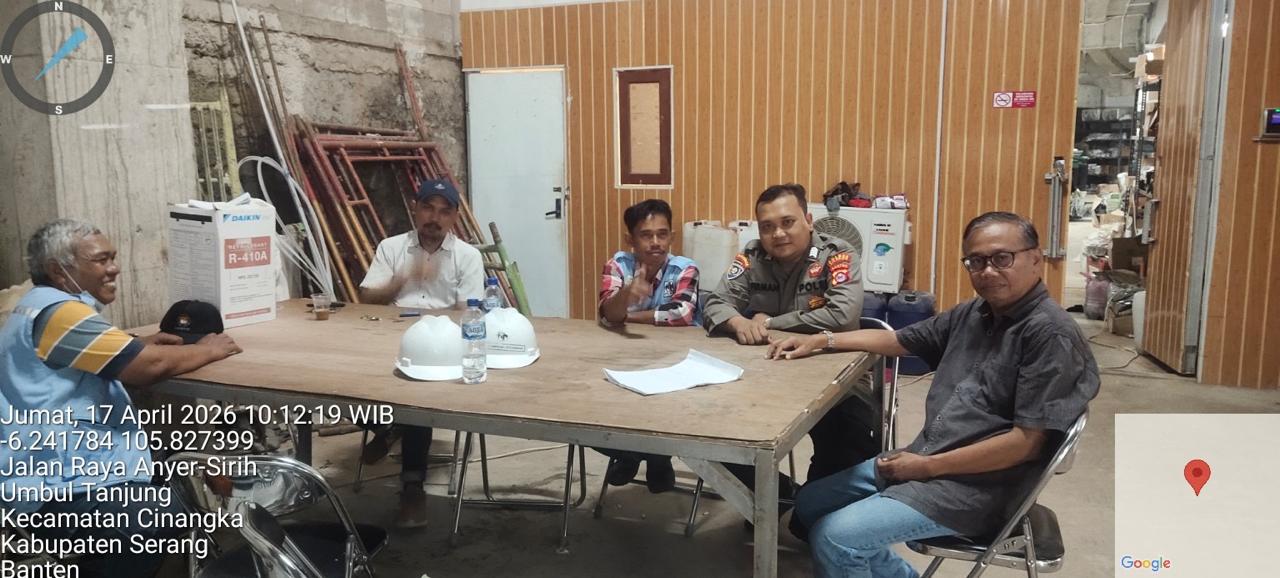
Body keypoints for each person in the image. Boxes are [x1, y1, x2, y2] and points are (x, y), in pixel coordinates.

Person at [770, 212, 1100, 578]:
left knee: (835, 536)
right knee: (810, 502)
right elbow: (898, 340)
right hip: (929, 458)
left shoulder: (1050, 335)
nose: (988, 271)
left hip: (980, 491)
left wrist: (927, 467)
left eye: (1002, 258)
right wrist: (822, 339)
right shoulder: (975, 313)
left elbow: (1026, 445)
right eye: (976, 261)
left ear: (1035, 258)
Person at [0, 219, 242, 578]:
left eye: (113, 257)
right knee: (163, 514)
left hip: (68, 468)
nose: (114, 268)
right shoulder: (60, 314)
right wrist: (210, 349)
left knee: (188, 472)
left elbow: (94, 355)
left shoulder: (40, 306)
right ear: (59, 270)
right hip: (57, 490)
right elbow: (149, 368)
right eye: (101, 260)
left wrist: (134, 346)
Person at [701, 183, 867, 492]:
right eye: (767, 227)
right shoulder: (752, 256)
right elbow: (715, 303)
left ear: (808, 220)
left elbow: (842, 316)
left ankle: (810, 508)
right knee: (709, 433)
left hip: (835, 381)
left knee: (846, 451)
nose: (778, 234)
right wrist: (737, 321)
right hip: (764, 374)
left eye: (787, 222)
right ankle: (778, 501)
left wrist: (770, 322)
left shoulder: (837, 254)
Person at [358, 178, 485, 528]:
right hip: (390, 336)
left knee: (418, 395)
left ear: (455, 217)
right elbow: (366, 299)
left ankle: (412, 486)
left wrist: (435, 327)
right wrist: (403, 280)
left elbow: (468, 313)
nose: (434, 218)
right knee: (338, 379)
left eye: (444, 212)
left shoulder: (468, 256)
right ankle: (389, 426)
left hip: (441, 343)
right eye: (428, 208)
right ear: (415, 209)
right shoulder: (392, 247)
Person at [595, 199, 700, 492]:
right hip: (625, 357)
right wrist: (626, 294)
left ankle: (657, 457)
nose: (656, 242)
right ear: (630, 239)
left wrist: (626, 315)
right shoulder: (618, 265)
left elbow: (681, 314)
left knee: (670, 409)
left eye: (662, 234)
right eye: (646, 235)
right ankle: (630, 453)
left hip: (675, 359)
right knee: (587, 412)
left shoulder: (685, 268)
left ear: (672, 237)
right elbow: (608, 312)